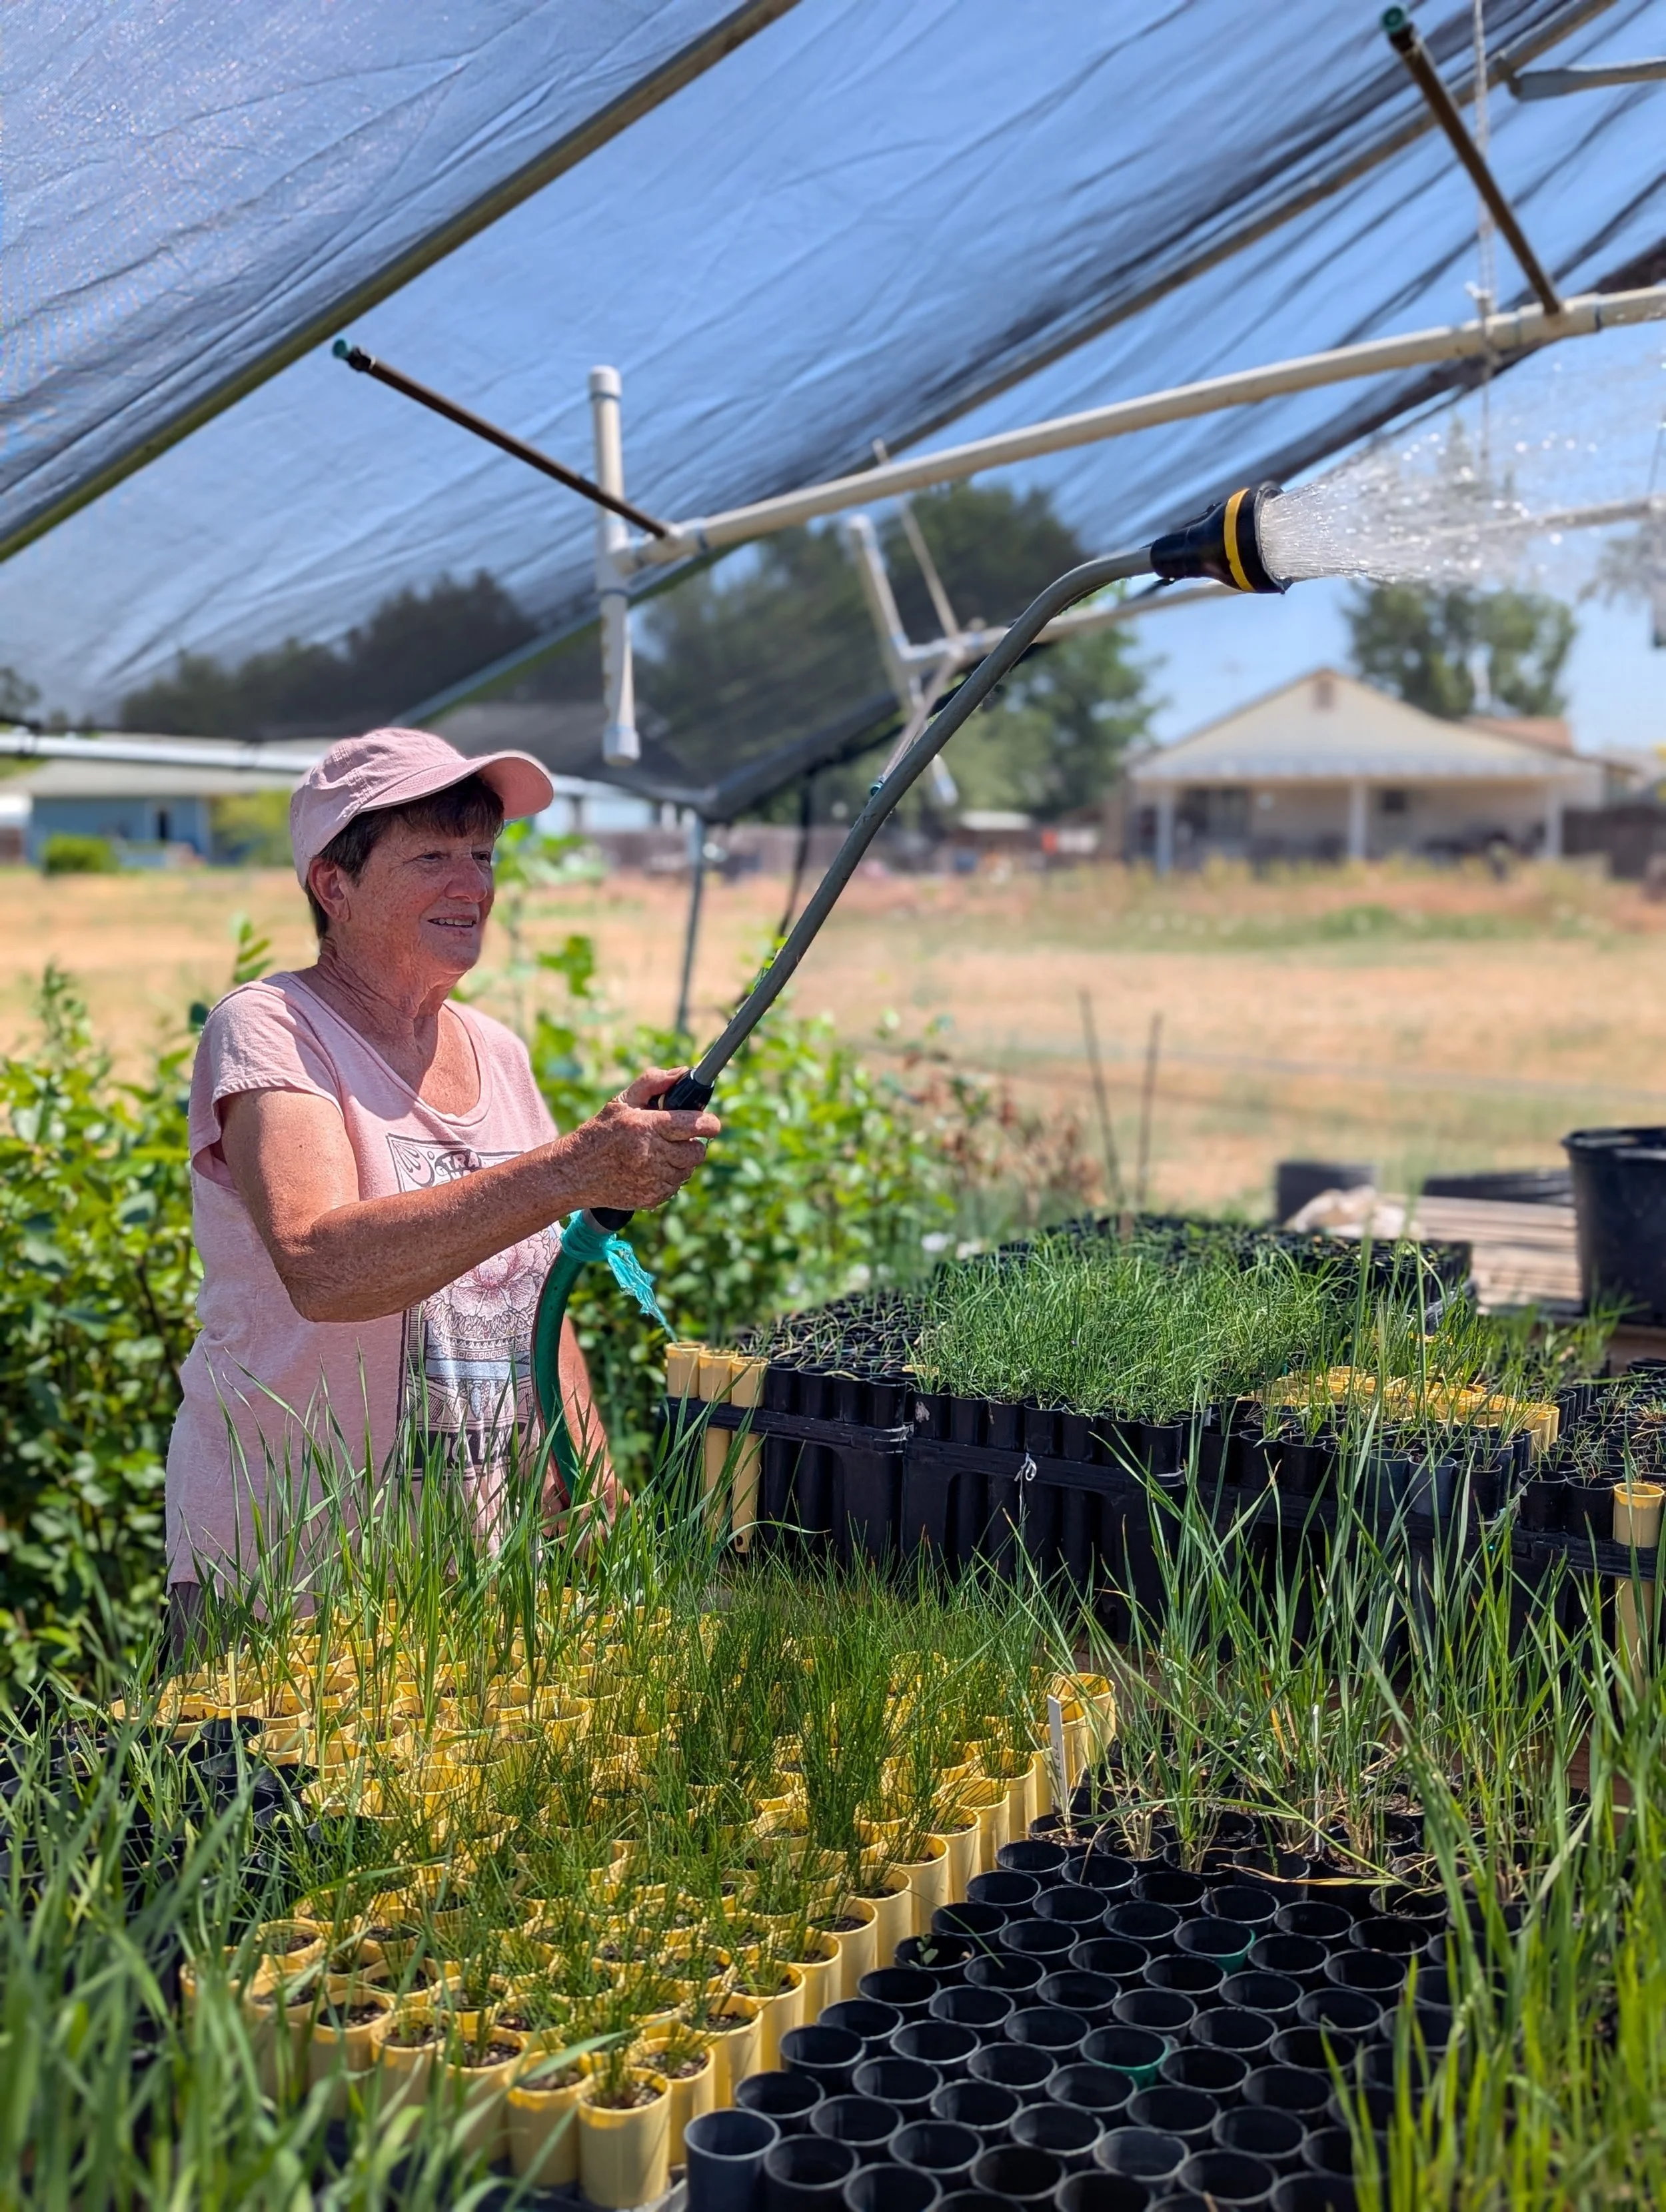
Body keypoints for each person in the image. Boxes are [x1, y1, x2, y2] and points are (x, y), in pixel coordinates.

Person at [164, 726, 719, 1628]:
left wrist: (591, 1493)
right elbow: (322, 1265)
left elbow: (539, 1297)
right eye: (431, 856)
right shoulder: (273, 1029)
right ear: (334, 887)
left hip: (459, 1565)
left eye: (483, 854)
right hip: (286, 1570)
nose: (473, 885)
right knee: (258, 1774)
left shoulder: (495, 1051)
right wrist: (573, 1168)